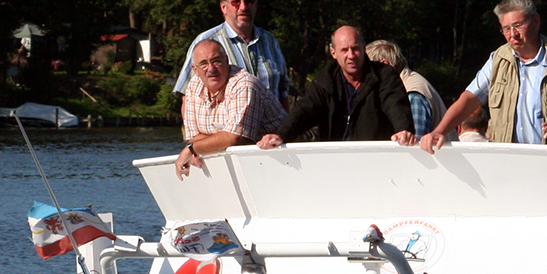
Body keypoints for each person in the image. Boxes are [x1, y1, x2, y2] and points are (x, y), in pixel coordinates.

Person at [420, 0, 547, 152]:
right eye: (506, 28)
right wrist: (440, 131)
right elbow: (468, 100)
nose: (512, 34)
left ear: (536, 21)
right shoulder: (497, 59)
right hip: (508, 159)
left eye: (517, 25)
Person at [257, 26, 415, 147]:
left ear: (363, 48)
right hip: (335, 159)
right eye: (344, 50)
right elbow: (304, 111)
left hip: (375, 157)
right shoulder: (325, 80)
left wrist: (403, 130)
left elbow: (395, 104)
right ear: (334, 53)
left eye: (355, 49)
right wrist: (280, 135)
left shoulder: (385, 75)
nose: (351, 56)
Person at [175, 40, 285, 179]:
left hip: (283, 159)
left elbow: (235, 138)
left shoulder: (244, 85)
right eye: (203, 64)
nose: (211, 69)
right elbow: (193, 137)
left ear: (226, 61)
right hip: (251, 165)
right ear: (194, 69)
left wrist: (192, 150)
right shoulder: (193, 85)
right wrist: (209, 145)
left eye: (216, 61)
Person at [173, 0, 290, 109]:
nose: (243, 7)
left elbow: (283, 92)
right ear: (224, 8)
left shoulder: (269, 40)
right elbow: (187, 97)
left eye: (248, 1)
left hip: (273, 127)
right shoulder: (205, 42)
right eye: (236, 2)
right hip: (227, 128)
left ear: (255, 5)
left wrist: (287, 128)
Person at [365, 39, 446, 137]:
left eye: (369, 68)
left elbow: (415, 144)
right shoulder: (410, 85)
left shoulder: (412, 95)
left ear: (385, 64)